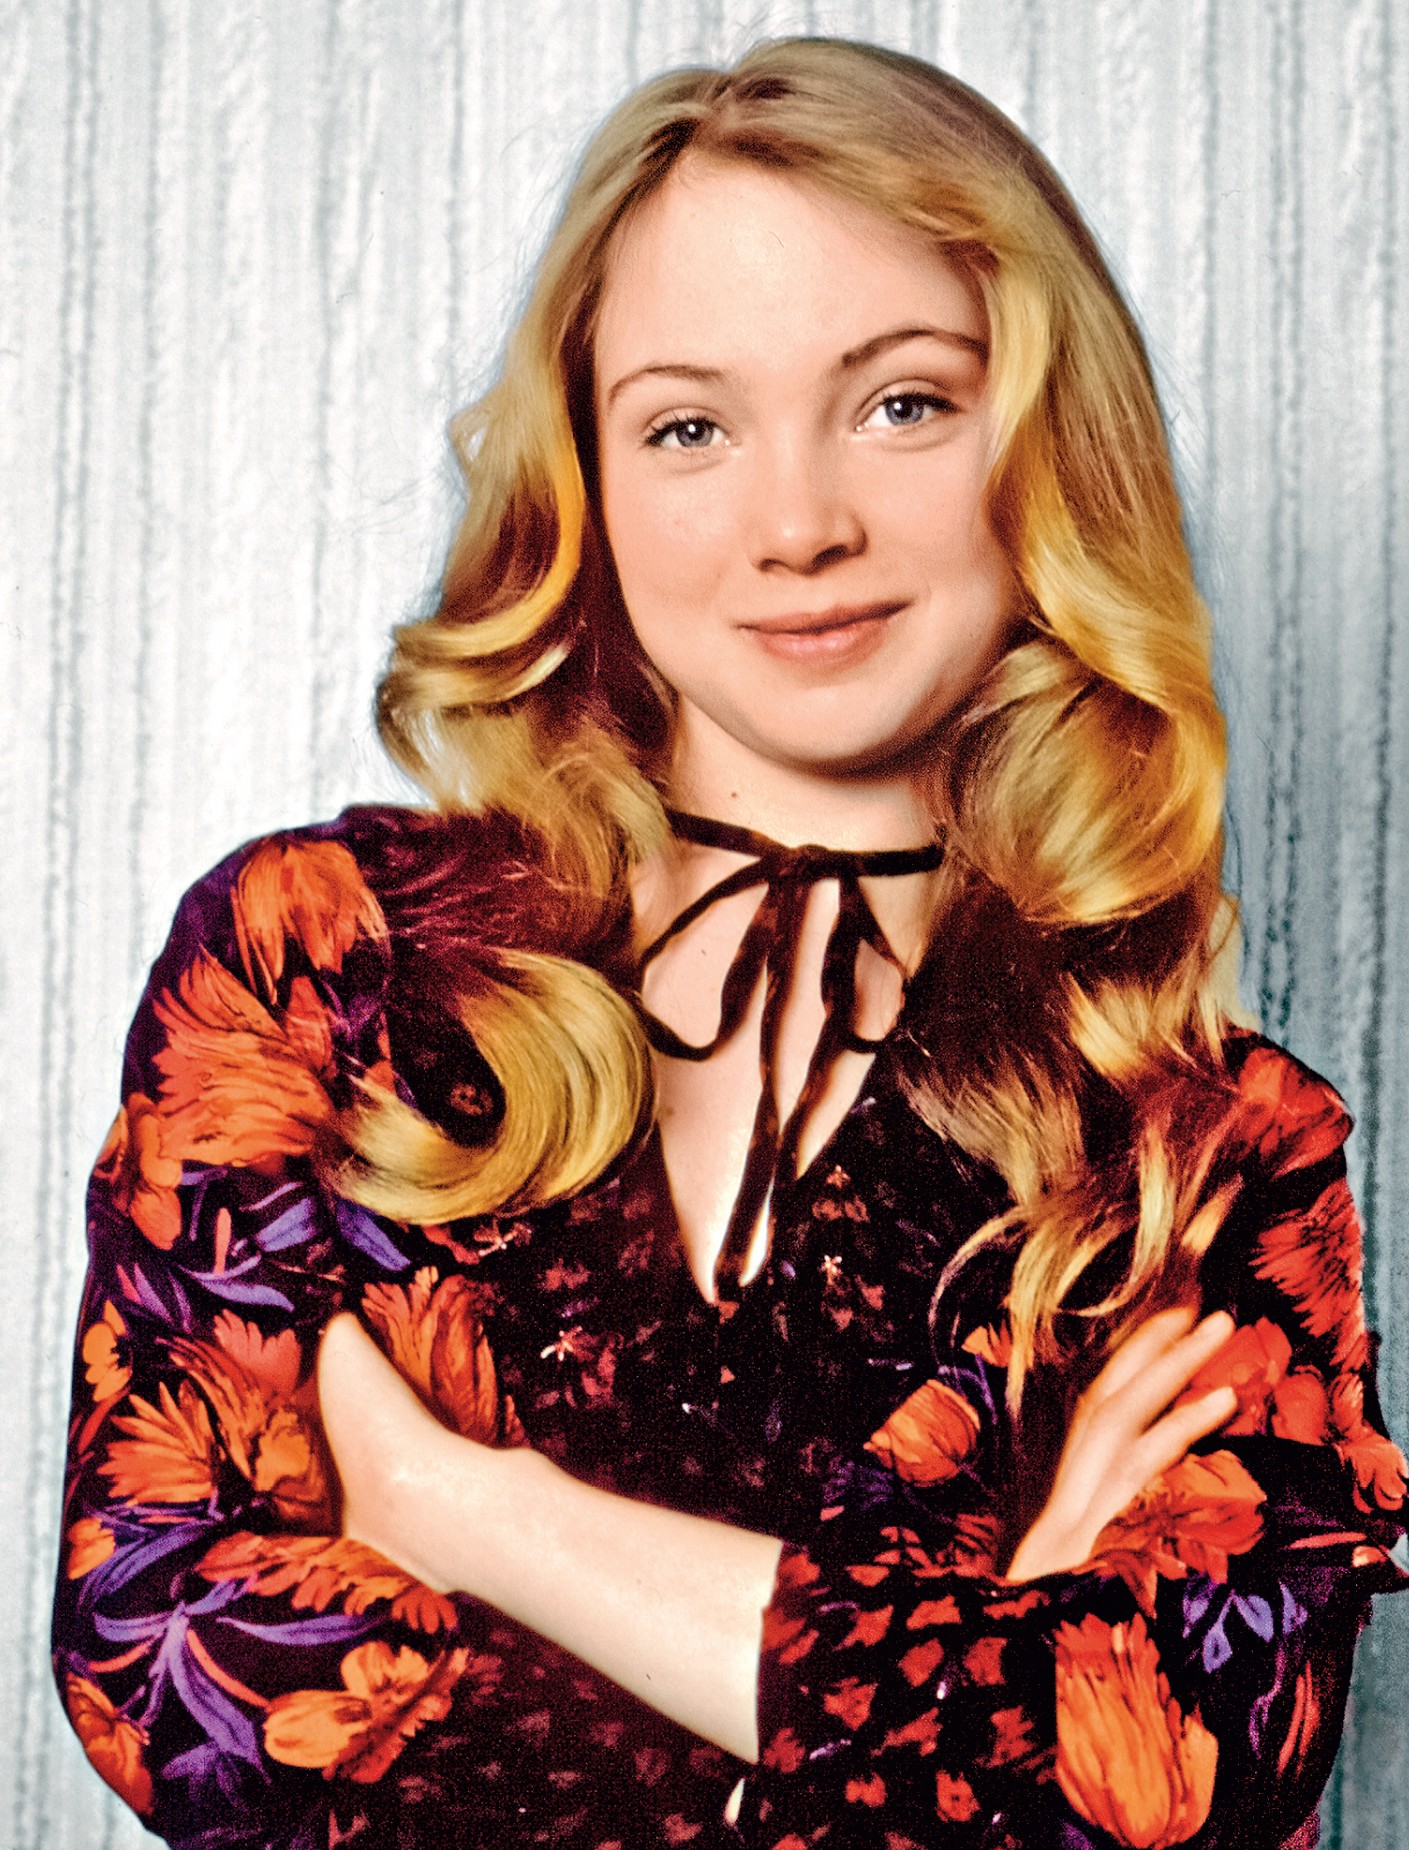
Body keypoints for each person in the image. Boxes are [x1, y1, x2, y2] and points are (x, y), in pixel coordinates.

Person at [52, 37, 1405, 1850]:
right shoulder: (325, 964)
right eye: (689, 426)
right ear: (589, 484)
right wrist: (956, 1674)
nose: (798, 526)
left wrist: (465, 1512)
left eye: (902, 403)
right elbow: (174, 1678)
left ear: (1041, 444)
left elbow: (1164, 1777)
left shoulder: (1210, 1155)